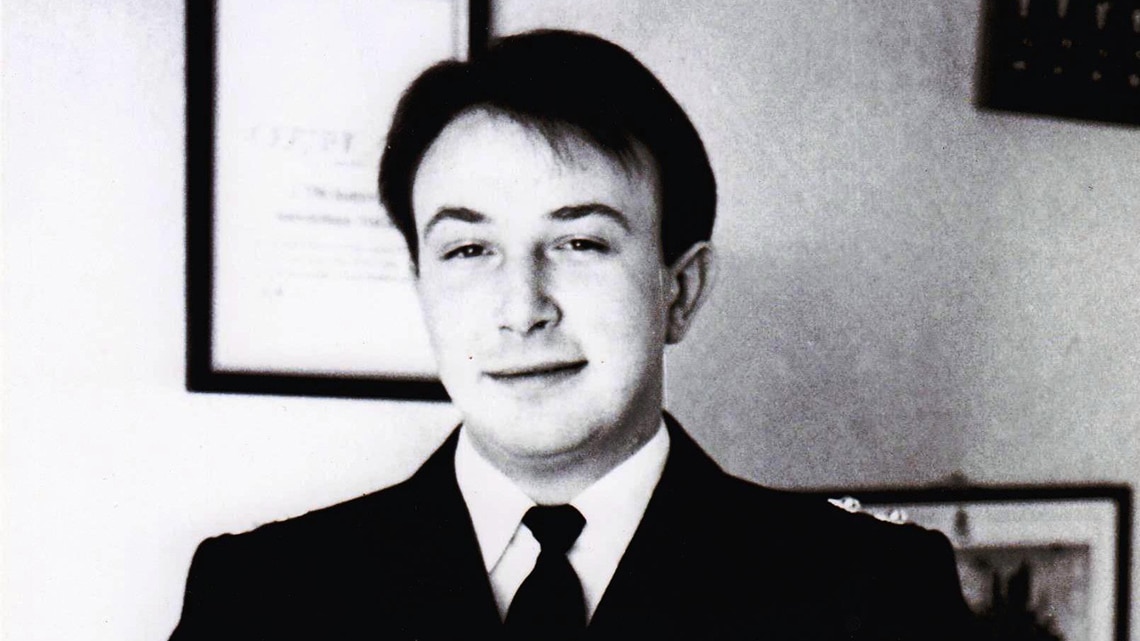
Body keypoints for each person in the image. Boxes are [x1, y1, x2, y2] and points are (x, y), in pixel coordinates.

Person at [170, 30, 976, 640]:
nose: (522, 308)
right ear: (421, 287)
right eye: (468, 250)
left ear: (680, 289)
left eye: (580, 242)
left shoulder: (873, 595)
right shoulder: (259, 597)